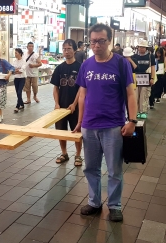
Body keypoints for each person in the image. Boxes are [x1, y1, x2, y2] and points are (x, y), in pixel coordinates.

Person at [74, 23, 137, 222]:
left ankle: (115, 205)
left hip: (113, 126)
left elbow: (130, 93)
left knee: (114, 170)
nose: (96, 45)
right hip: (89, 126)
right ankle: (94, 202)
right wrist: (80, 121)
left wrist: (132, 120)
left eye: (101, 41)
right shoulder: (86, 65)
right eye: (93, 41)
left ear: (109, 40)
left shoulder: (121, 63)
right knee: (90, 167)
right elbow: (82, 95)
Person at [50, 39, 83, 166]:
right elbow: (55, 88)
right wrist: (57, 104)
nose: (66, 51)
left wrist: (74, 104)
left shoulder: (80, 67)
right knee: (61, 131)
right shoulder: (59, 68)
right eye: (64, 49)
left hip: (76, 107)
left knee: (77, 131)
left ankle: (78, 155)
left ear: (74, 50)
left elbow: (81, 88)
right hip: (61, 107)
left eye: (69, 48)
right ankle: (64, 153)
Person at [133, 40, 156, 118]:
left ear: (146, 48)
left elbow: (153, 67)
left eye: (143, 47)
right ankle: (135, 111)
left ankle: (143, 111)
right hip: (136, 79)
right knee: (135, 96)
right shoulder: (135, 56)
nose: (141, 49)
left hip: (146, 79)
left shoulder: (150, 56)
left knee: (144, 95)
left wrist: (152, 78)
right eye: (140, 47)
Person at [12, 48, 26, 113]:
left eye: (16, 53)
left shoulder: (23, 61)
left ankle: (17, 106)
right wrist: (17, 70)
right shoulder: (14, 61)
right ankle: (22, 104)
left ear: (20, 53)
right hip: (16, 79)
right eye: (15, 53)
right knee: (17, 93)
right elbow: (12, 70)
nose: (15, 54)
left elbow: (22, 70)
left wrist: (17, 70)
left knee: (19, 92)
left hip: (22, 78)